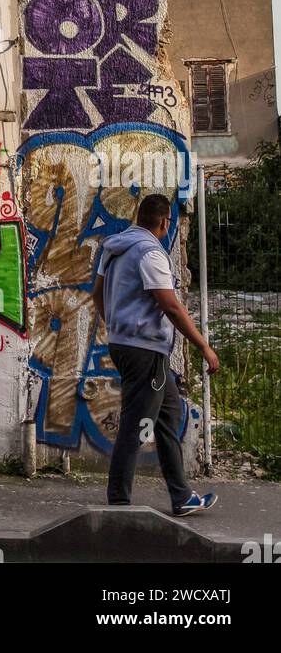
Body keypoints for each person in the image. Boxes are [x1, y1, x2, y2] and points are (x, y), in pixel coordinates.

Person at [92, 192, 220, 517]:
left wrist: (117, 326)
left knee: (167, 418)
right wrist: (204, 347)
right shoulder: (151, 253)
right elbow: (171, 306)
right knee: (137, 423)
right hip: (145, 351)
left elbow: (96, 294)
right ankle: (119, 502)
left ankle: (181, 496)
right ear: (165, 222)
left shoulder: (116, 248)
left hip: (130, 346)